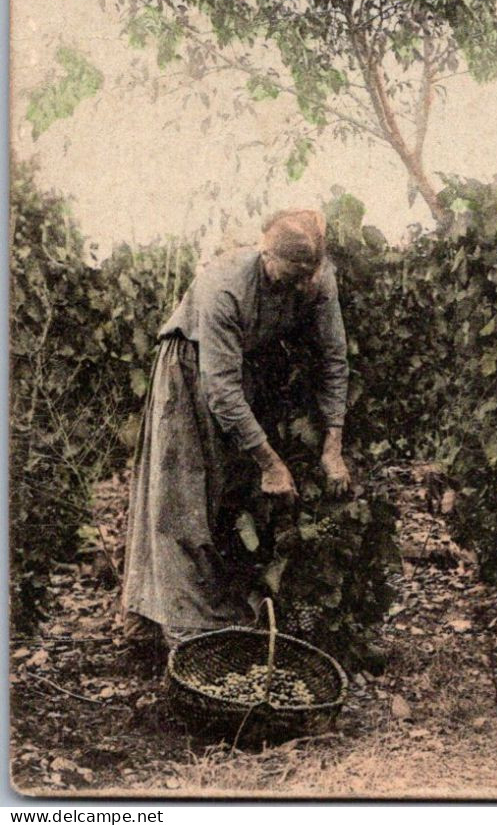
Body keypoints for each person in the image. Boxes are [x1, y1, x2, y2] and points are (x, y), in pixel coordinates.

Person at [122, 209, 353, 647]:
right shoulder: (223, 286)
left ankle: (214, 610)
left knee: (232, 494)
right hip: (189, 369)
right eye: (290, 279)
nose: (301, 289)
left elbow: (333, 359)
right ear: (266, 255)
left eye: (309, 278)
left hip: (246, 371)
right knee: (184, 496)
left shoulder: (319, 281)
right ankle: (177, 627)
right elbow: (221, 390)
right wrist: (270, 463)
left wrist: (333, 442)